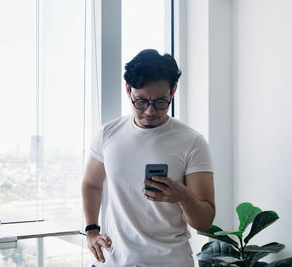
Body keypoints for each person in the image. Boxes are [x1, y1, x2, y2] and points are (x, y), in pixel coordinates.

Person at [81, 49, 215, 267]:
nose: (150, 111)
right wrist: (91, 230)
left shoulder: (192, 142)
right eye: (141, 101)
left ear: (173, 91)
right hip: (112, 261)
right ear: (128, 90)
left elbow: (205, 222)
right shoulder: (108, 134)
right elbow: (91, 184)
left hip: (169, 262)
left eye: (161, 101)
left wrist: (184, 197)